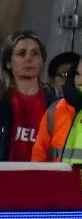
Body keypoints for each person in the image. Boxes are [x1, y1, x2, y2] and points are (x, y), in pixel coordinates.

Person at [0, 31, 58, 161]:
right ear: (8, 62)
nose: (29, 59)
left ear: (42, 61)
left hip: (45, 172)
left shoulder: (56, 104)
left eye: (35, 53)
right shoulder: (2, 101)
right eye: (21, 53)